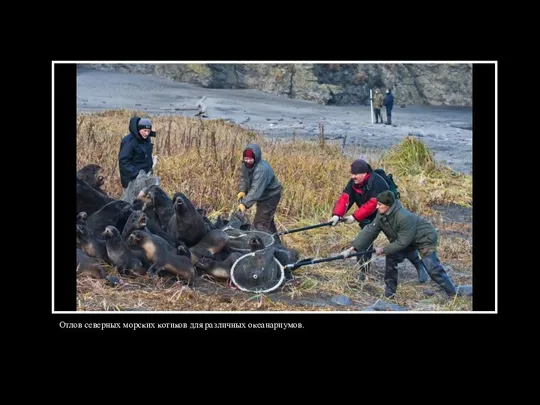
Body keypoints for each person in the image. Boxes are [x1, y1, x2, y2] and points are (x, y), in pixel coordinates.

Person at [340, 190, 458, 299]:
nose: (377, 207)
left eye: (380, 204)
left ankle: (453, 293)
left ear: (388, 205)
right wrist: (351, 249)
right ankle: (389, 294)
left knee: (432, 268)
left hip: (424, 238)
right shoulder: (381, 215)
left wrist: (383, 249)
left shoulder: (404, 217)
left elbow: (403, 242)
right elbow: (369, 231)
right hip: (405, 239)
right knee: (391, 258)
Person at [329, 159, 428, 282]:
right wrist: (337, 215)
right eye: (352, 173)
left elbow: (373, 203)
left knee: (401, 243)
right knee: (364, 242)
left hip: (388, 215)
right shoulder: (354, 183)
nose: (353, 176)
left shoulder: (377, 182)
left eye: (356, 174)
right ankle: (363, 271)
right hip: (369, 217)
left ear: (365, 173)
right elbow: (345, 198)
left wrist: (354, 217)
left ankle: (419, 265)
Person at [237, 143, 283, 240]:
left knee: (260, 224)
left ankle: (265, 247)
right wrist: (242, 191)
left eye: (250, 158)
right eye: (246, 158)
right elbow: (244, 179)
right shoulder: (245, 165)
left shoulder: (262, 169)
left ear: (256, 157)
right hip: (263, 195)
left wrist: (244, 204)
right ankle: (276, 244)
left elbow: (256, 190)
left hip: (270, 196)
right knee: (267, 221)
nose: (248, 161)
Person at [118, 116, 156, 189]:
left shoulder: (147, 139)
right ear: (139, 129)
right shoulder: (129, 142)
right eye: (144, 130)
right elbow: (124, 162)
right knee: (132, 200)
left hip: (144, 178)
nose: (147, 133)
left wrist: (150, 166)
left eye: (148, 131)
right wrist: (138, 174)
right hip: (132, 180)